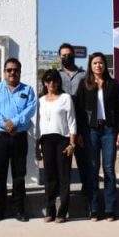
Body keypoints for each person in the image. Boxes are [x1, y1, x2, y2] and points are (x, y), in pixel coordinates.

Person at [75, 52, 119, 221]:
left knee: (109, 169)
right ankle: (94, 208)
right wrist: (80, 133)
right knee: (93, 168)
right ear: (90, 65)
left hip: (109, 130)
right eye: (95, 63)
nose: (98, 66)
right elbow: (80, 111)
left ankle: (110, 209)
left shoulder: (112, 84)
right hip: (91, 131)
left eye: (101, 63)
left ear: (105, 66)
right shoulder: (84, 84)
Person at [0, 57, 37, 221]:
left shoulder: (28, 90)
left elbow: (30, 110)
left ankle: (19, 209)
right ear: (4, 72)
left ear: (20, 72)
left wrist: (14, 123)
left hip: (19, 137)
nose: (12, 73)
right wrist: (6, 124)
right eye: (9, 70)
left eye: (15, 70)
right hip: (1, 136)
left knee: (19, 174)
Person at [35, 69, 77, 223]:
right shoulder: (40, 101)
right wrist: (36, 146)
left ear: (59, 82)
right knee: (49, 177)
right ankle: (50, 210)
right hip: (46, 141)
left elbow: (72, 121)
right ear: (44, 83)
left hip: (62, 140)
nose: (51, 83)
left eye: (54, 80)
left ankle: (62, 212)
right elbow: (38, 126)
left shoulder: (65, 98)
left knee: (63, 177)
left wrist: (72, 143)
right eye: (48, 80)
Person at [57, 42, 92, 201]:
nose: (66, 57)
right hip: (62, 125)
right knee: (63, 160)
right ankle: (62, 191)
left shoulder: (84, 75)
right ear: (59, 57)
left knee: (84, 159)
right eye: (63, 55)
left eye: (69, 54)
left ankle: (87, 188)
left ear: (74, 55)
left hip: (82, 123)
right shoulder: (56, 76)